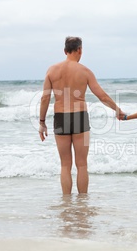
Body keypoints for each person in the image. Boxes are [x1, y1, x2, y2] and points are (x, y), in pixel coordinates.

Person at [39, 36, 124, 195]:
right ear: (80, 50)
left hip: (60, 117)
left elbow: (44, 98)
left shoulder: (52, 70)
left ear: (65, 51)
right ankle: (82, 203)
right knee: (82, 164)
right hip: (79, 117)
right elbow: (102, 96)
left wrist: (42, 122)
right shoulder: (85, 71)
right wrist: (117, 110)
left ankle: (66, 202)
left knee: (65, 164)